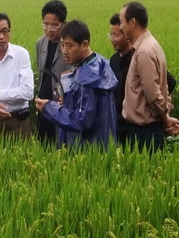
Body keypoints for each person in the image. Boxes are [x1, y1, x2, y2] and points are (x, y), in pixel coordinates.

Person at [35, 20, 118, 148]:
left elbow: (81, 120)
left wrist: (49, 108)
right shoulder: (98, 63)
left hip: (88, 147)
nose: (64, 51)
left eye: (69, 45)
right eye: (62, 45)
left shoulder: (88, 79)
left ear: (84, 44)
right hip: (102, 141)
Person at [118, 1, 179, 150]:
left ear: (132, 22)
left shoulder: (144, 52)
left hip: (144, 133)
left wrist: (165, 118)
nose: (120, 27)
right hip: (147, 130)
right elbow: (163, 86)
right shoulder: (151, 45)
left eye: (122, 22)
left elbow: (153, 94)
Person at [108, 13, 176, 120]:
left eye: (115, 35)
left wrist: (155, 108)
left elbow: (169, 82)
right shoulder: (113, 60)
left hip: (137, 121)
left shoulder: (139, 56)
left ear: (126, 34)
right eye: (110, 35)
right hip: (118, 120)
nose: (112, 39)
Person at [35, 0, 73, 144]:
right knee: (44, 143)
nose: (49, 29)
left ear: (64, 24)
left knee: (60, 143)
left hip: (61, 106)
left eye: (54, 25)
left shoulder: (70, 45)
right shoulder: (40, 43)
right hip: (43, 104)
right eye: (46, 24)